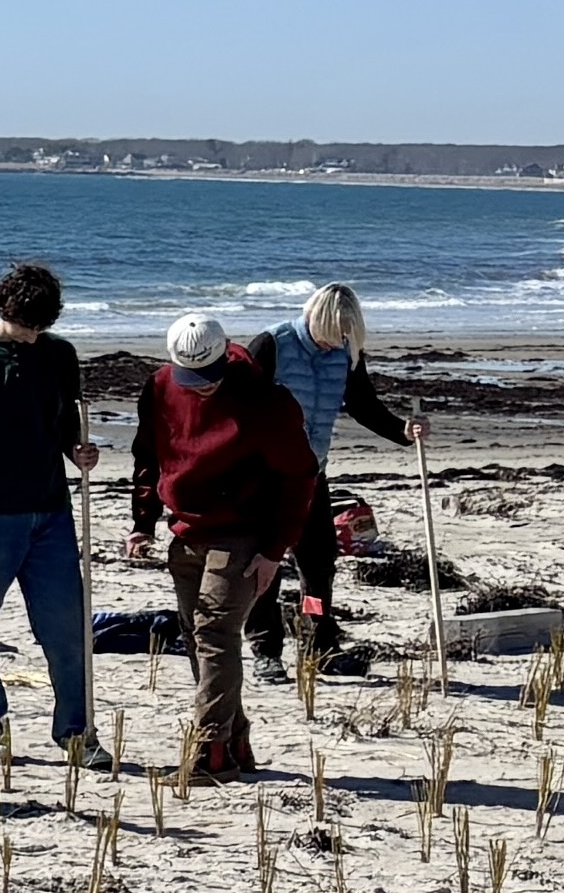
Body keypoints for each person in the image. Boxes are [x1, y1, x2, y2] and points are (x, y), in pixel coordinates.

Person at [128, 313, 316, 780]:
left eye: (210, 377)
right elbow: (148, 454)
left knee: (215, 635)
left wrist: (275, 550)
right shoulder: (161, 386)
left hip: (244, 533)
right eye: (193, 378)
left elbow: (300, 477)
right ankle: (234, 744)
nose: (203, 387)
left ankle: (208, 752)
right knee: (197, 638)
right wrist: (143, 522)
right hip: (186, 531)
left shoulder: (267, 401)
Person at [0, 261, 103, 768]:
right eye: (27, 324)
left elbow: (65, 423)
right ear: (4, 308)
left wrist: (79, 452)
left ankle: (76, 732)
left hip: (50, 509)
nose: (33, 334)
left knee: (67, 627)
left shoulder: (59, 353)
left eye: (42, 325)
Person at [246, 282, 422, 683]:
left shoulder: (346, 350)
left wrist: (402, 430)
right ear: (313, 318)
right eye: (330, 334)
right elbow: (238, 407)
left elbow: (362, 404)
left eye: (344, 335)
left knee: (318, 565)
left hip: (312, 474)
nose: (335, 344)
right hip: (263, 478)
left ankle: (318, 645)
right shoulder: (271, 345)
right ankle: (265, 650)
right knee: (263, 565)